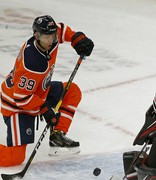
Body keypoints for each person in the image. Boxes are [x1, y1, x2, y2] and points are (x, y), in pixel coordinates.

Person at [0, 15, 94, 167]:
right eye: (46, 37)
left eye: (52, 36)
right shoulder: (32, 62)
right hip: (16, 106)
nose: (51, 41)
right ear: (36, 35)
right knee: (14, 158)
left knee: (72, 91)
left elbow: (61, 30)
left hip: (38, 92)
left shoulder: (50, 39)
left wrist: (77, 38)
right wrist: (44, 109)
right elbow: (21, 97)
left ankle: (57, 135)